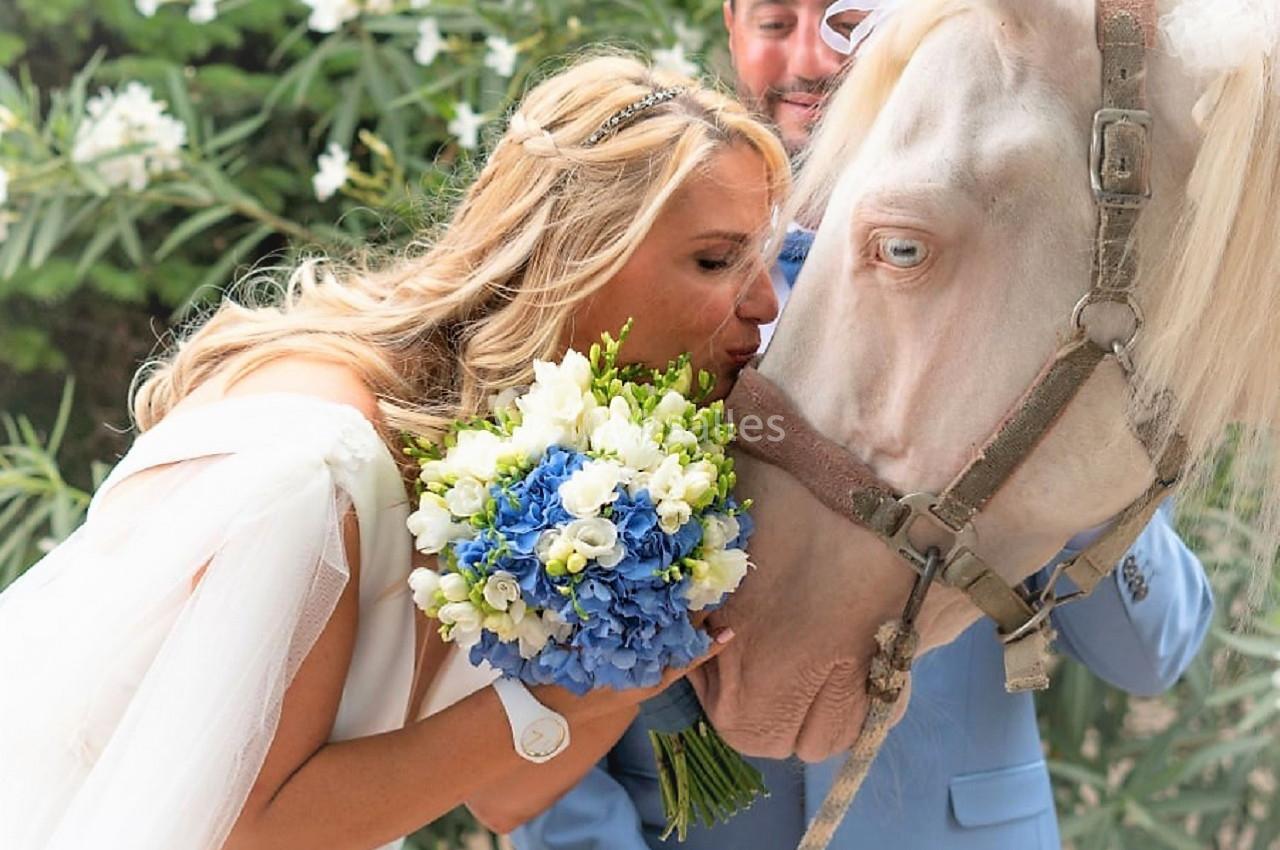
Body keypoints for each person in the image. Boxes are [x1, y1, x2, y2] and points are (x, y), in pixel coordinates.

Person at [0, 54, 790, 850]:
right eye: (717, 261)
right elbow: (245, 830)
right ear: (575, 255)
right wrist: (552, 703)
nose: (763, 303)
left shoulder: (526, 465)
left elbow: (509, 794)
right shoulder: (315, 467)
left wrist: (630, 640)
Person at [512, 4, 1216, 849]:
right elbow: (527, 635)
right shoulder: (631, 285)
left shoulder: (1043, 284)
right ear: (733, 27)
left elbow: (1152, 656)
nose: (814, 57)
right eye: (776, 20)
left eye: (847, 18)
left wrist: (1061, 452)